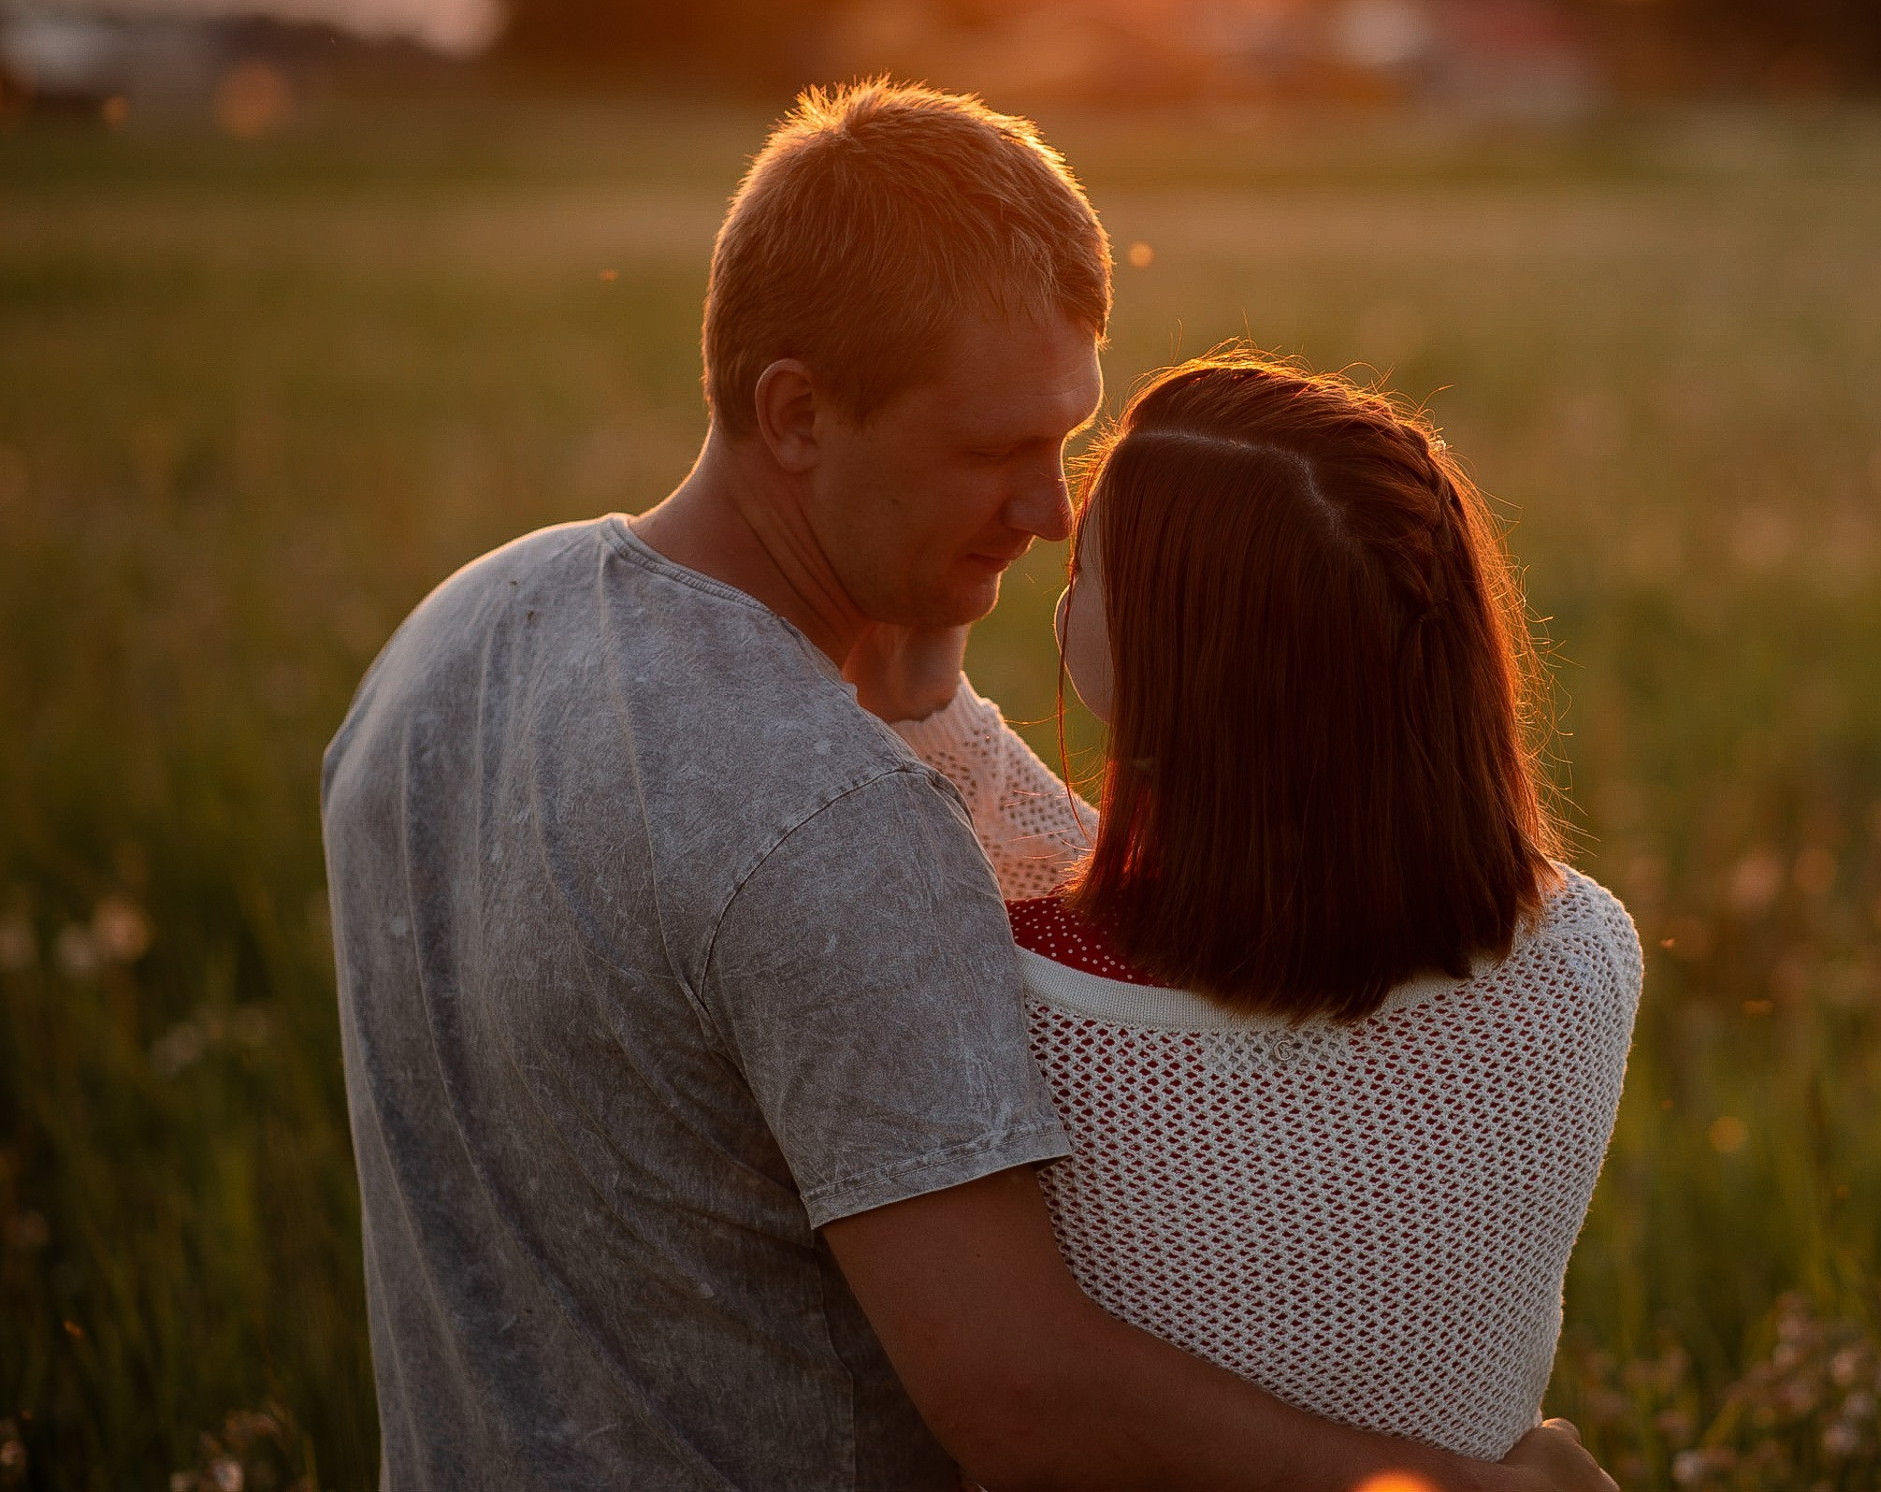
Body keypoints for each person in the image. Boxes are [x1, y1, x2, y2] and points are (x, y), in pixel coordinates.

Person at [321, 79, 1615, 1491]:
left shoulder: (451, 639)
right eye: (995, 448)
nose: (1055, 511)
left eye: (1068, 438)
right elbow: (1023, 1398)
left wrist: (924, 688)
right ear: (797, 414)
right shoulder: (837, 825)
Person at [886, 353, 1644, 1455]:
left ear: (1182, 657)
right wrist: (933, 702)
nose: (1062, 577)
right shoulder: (1583, 956)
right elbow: (1120, 874)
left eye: (1089, 565)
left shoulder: (1026, 1007)